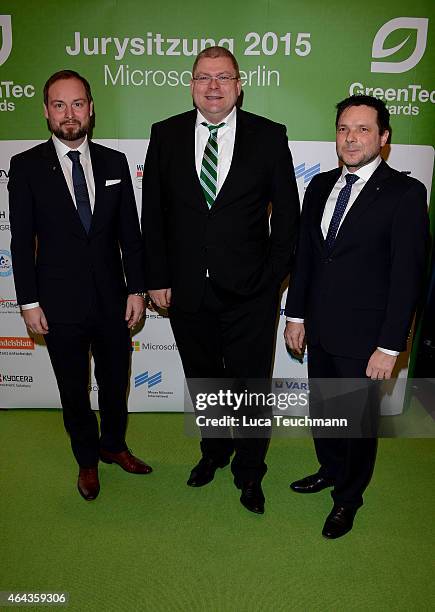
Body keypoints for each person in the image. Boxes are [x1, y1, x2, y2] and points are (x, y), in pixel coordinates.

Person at [142, 46, 299, 514]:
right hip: (187, 288)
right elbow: (153, 215)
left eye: (223, 77)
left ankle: (250, 471)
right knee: (204, 379)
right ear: (191, 85)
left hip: (251, 291)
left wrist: (270, 280)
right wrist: (158, 277)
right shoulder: (165, 134)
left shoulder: (270, 137)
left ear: (239, 84)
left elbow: (288, 217)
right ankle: (214, 451)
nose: (213, 86)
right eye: (204, 77)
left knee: (251, 384)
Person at [284, 94, 429, 538]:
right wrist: (296, 315)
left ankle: (348, 499)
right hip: (321, 330)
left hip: (368, 338)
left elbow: (408, 277)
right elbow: (307, 258)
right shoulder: (321, 185)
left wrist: (390, 345)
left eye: (363, 129)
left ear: (383, 138)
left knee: (357, 425)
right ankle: (329, 470)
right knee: (327, 412)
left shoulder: (405, 193)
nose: (351, 138)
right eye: (344, 129)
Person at [8, 70, 152, 501]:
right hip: (58, 302)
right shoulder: (27, 166)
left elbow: (131, 234)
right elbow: (20, 241)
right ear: (47, 113)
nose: (69, 114)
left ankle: (114, 445)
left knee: (114, 382)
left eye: (77, 104)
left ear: (91, 108)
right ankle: (86, 460)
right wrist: (29, 302)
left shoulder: (114, 163)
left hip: (113, 300)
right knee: (73, 389)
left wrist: (137, 290)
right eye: (59, 105)